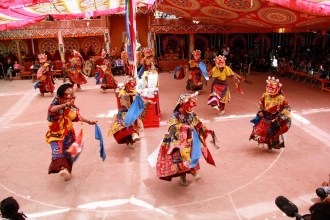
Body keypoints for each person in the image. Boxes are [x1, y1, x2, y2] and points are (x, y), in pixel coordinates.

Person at [156, 92, 217, 186]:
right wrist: (186, 127)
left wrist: (206, 130)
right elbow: (171, 126)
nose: (192, 107)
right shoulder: (175, 115)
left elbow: (197, 122)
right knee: (183, 158)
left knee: (192, 156)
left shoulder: (191, 114)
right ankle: (190, 174)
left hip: (190, 139)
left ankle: (190, 172)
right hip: (178, 140)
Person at [46, 83, 97, 181]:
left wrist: (89, 121)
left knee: (69, 154)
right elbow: (51, 110)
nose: (72, 96)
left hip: (68, 134)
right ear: (62, 95)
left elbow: (76, 116)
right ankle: (63, 168)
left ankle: (67, 170)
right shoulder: (57, 102)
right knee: (58, 152)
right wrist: (64, 105)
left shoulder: (70, 105)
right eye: (69, 94)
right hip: (55, 135)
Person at [249, 76, 292, 152]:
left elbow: (287, 110)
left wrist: (278, 118)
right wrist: (260, 111)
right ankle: (260, 142)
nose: (270, 88)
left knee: (272, 133)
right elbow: (260, 104)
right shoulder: (265, 95)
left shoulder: (281, 98)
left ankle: (270, 145)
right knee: (260, 130)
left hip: (274, 118)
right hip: (265, 116)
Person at [108, 76, 152, 149]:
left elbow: (140, 100)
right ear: (127, 84)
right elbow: (123, 97)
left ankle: (132, 140)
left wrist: (148, 101)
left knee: (135, 126)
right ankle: (133, 136)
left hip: (134, 111)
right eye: (130, 84)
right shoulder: (122, 92)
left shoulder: (134, 91)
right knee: (123, 125)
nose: (132, 87)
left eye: (133, 85)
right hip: (124, 111)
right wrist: (130, 95)